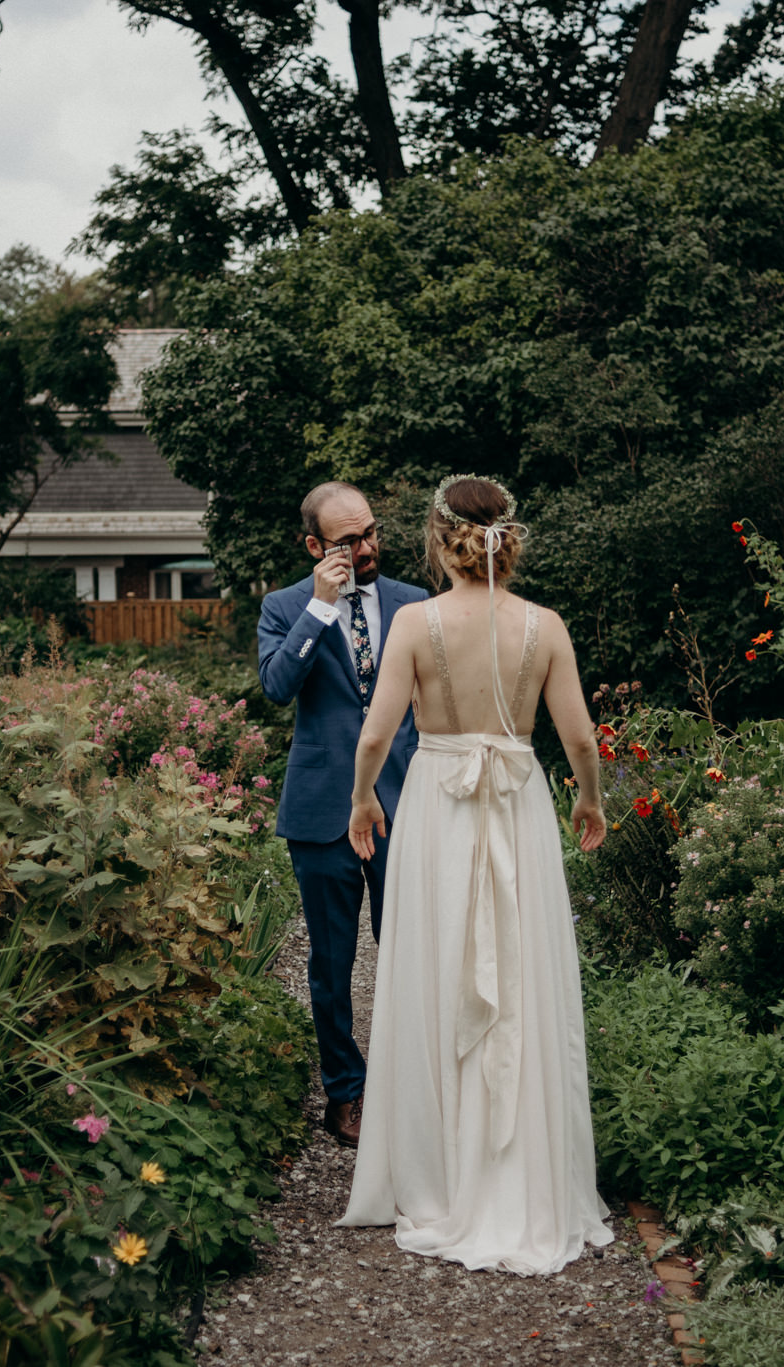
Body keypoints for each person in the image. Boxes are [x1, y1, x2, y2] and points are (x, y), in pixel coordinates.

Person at [335, 474, 614, 1275]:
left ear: (437, 536)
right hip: (519, 804)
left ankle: (438, 1172)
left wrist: (362, 803)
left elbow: (375, 736)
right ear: (507, 537)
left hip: (437, 808)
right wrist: (589, 803)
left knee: (437, 971)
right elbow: (583, 739)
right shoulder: (546, 625)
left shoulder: (416, 623)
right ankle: (525, 1174)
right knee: (520, 982)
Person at [258, 481, 428, 1148]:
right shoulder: (286, 606)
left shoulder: (415, 602)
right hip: (324, 806)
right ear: (314, 546)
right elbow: (276, 687)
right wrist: (321, 610)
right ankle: (346, 1093)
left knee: (411, 955)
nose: (366, 548)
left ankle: (412, 1085)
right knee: (331, 965)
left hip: (404, 803)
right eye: (348, 541)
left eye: (371, 533)